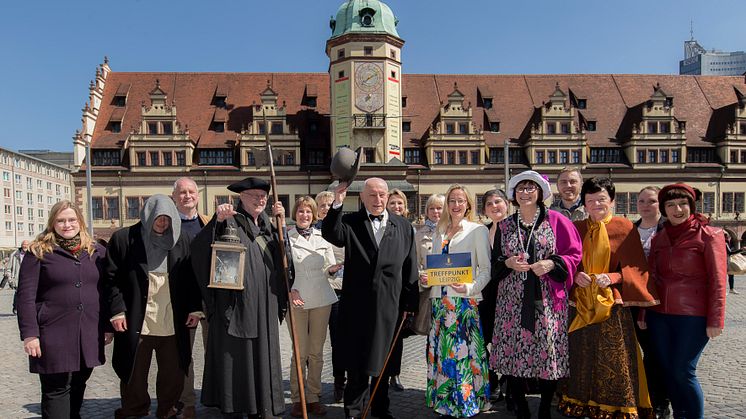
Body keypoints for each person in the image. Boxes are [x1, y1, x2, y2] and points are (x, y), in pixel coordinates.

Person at [559, 177, 659, 419]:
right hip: (580, 303)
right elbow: (568, 262)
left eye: (601, 199)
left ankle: (615, 405)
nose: (596, 205)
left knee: (613, 357)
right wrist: (576, 275)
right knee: (582, 354)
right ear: (584, 203)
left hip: (611, 305)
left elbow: (636, 267)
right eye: (590, 200)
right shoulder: (577, 228)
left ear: (611, 201)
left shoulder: (624, 227)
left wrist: (612, 277)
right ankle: (581, 402)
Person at [190, 177, 289, 418]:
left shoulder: (269, 226)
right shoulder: (229, 222)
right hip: (236, 309)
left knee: (262, 359)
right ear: (241, 198)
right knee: (238, 361)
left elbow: (286, 265)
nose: (260, 199)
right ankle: (235, 408)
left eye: (263, 196)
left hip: (265, 307)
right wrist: (216, 221)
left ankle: (260, 406)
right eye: (254, 195)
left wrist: (282, 226)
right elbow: (199, 250)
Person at [321, 177, 419, 419]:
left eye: (382, 195)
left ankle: (380, 409)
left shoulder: (403, 226)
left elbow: (410, 267)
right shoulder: (350, 222)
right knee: (357, 364)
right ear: (362, 197)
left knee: (383, 364)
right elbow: (331, 233)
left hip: (390, 307)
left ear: (388, 196)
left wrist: (410, 304)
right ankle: (354, 411)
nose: (378, 200)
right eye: (372, 195)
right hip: (357, 306)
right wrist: (337, 203)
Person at [489, 170, 582, 419]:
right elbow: (495, 260)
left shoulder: (557, 220)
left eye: (531, 188)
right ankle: (520, 407)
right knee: (513, 354)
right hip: (512, 300)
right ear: (513, 195)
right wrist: (507, 262)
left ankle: (544, 409)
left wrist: (552, 264)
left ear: (540, 192)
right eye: (520, 188)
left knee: (548, 355)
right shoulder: (506, 225)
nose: (525, 192)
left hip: (547, 300)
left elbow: (574, 254)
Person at [104, 194, 203, 419]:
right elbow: (111, 278)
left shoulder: (183, 239)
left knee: (173, 371)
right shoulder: (124, 239)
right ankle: (134, 409)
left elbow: (192, 278)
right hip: (138, 314)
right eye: (159, 217)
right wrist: (117, 310)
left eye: (167, 218)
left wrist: (195, 308)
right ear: (148, 215)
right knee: (134, 372)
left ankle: (168, 409)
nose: (163, 223)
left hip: (172, 315)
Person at [16, 201, 109, 419]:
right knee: (56, 389)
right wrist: (30, 334)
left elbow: (106, 290)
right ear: (52, 223)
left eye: (71, 220)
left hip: (88, 332)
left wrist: (106, 326)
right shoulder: (38, 252)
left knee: (78, 384)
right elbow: (25, 296)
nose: (67, 225)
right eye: (61, 220)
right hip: (52, 333)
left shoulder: (96, 251)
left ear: (80, 222)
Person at [646, 183, 727, 419]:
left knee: (683, 370)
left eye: (682, 204)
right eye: (670, 205)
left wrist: (716, 319)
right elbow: (652, 279)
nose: (677, 209)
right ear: (663, 209)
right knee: (668, 371)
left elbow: (718, 280)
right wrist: (643, 315)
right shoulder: (659, 239)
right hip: (659, 315)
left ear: (691, 206)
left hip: (693, 315)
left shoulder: (710, 235)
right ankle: (680, 414)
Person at [420, 184, 492, 417]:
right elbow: (435, 266)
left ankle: (466, 401)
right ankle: (444, 398)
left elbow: (485, 270)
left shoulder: (477, 230)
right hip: (440, 303)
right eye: (452, 200)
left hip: (463, 302)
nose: (456, 205)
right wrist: (426, 277)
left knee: (463, 355)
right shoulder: (439, 231)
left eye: (461, 200)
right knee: (443, 352)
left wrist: (470, 287)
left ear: (468, 204)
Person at [286, 196, 341, 417]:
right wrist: (289, 288)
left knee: (316, 353)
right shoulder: (285, 238)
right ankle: (298, 398)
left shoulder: (323, 236)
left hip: (321, 297)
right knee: (299, 353)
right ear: (295, 214)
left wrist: (333, 268)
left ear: (314, 214)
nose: (305, 215)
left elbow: (327, 267)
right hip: (296, 298)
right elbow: (280, 269)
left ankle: (313, 396)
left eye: (309, 212)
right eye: (301, 211)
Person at [172, 177, 211, 419]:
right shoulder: (168, 225)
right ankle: (186, 401)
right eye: (182, 192)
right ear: (174, 197)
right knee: (183, 353)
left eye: (191, 192)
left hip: (210, 297)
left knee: (215, 350)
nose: (187, 196)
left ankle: (216, 395)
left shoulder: (208, 223)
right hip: (183, 300)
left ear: (198, 195)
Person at [633, 186, 671, 419]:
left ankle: (661, 402)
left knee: (658, 353)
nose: (646, 205)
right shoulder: (631, 230)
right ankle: (646, 399)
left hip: (663, 300)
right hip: (636, 300)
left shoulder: (669, 229)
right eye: (641, 201)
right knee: (644, 352)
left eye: (652, 201)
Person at [315, 190, 347, 402]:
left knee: (339, 342)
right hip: (317, 292)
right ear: (317, 210)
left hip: (340, 292)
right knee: (315, 344)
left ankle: (339, 382)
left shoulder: (343, 230)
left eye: (330, 204)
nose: (326, 208)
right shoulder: (311, 231)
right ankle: (312, 386)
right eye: (323, 205)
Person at [479, 189, 510, 402]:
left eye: (498, 201)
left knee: (509, 340)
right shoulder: (482, 231)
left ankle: (511, 384)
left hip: (510, 292)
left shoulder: (517, 228)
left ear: (507, 203)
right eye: (489, 203)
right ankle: (492, 380)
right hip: (486, 293)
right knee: (482, 339)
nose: (494, 206)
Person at [385, 188, 411, 392]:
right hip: (385, 291)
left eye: (399, 203)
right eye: (392, 203)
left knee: (397, 339)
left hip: (401, 291)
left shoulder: (408, 227)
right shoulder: (382, 226)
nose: (396, 206)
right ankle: (381, 374)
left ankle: (395, 374)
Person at [411, 194, 445, 336]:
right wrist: (423, 278)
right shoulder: (419, 235)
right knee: (432, 335)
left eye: (439, 208)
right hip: (430, 291)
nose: (436, 212)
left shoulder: (455, 231)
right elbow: (416, 262)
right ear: (427, 211)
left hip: (453, 290)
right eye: (432, 208)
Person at [9, 240, 30, 314]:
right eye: (24, 244)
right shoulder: (14, 255)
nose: (25, 246)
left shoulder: (31, 254)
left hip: (28, 277)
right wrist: (10, 279)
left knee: (28, 294)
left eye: (27, 244)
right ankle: (16, 307)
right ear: (21, 245)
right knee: (18, 293)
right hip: (17, 277)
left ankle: (25, 309)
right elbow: (9, 268)